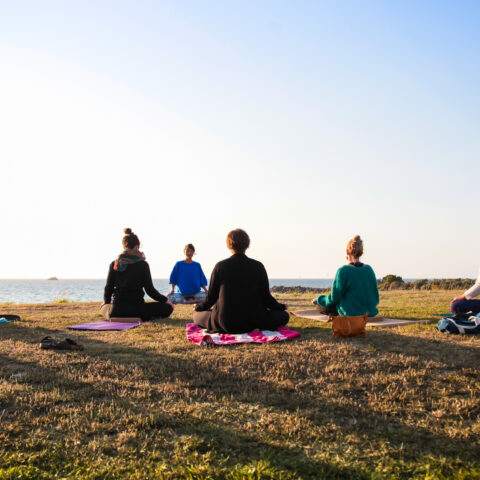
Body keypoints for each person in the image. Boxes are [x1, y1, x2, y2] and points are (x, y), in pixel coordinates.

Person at [193, 229, 289, 333]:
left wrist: (198, 307)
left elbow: (211, 299)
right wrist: (281, 307)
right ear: (247, 244)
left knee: (197, 316)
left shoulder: (220, 266)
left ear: (228, 245)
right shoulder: (258, 266)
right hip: (255, 321)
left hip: (226, 322)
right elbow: (266, 298)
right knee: (284, 316)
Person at [101, 228, 173, 321]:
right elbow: (150, 290)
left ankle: (110, 311)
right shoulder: (143, 265)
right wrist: (166, 300)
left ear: (124, 247)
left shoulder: (115, 264)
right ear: (137, 247)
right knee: (167, 308)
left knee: (104, 308)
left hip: (116, 311)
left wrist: (106, 303)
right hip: (138, 310)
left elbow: (108, 288)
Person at [312, 235, 379, 317]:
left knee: (320, 307)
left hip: (350, 313)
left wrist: (319, 299)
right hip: (370, 312)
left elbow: (334, 298)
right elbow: (375, 296)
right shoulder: (369, 269)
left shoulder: (343, 270)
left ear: (347, 251)